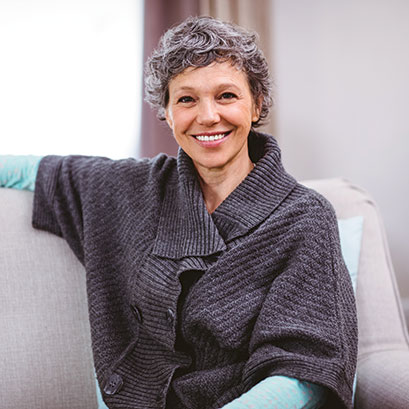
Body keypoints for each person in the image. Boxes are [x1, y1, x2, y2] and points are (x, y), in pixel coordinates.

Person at [0, 16, 357, 409]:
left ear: (256, 105)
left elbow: (303, 374)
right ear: (167, 113)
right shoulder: (130, 188)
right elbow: (30, 170)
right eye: (186, 99)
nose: (207, 116)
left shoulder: (304, 218)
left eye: (226, 96)